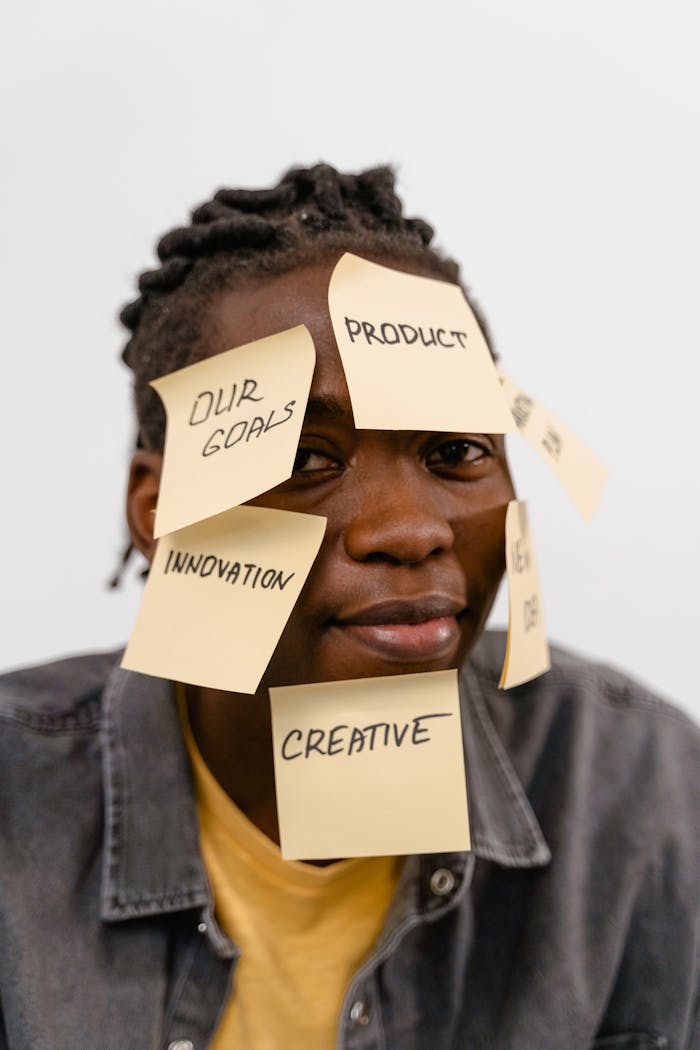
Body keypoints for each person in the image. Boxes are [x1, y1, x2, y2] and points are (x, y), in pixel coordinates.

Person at [0, 164, 698, 1050]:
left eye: (454, 449)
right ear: (156, 509)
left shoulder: (649, 791)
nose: (409, 529)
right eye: (302, 461)